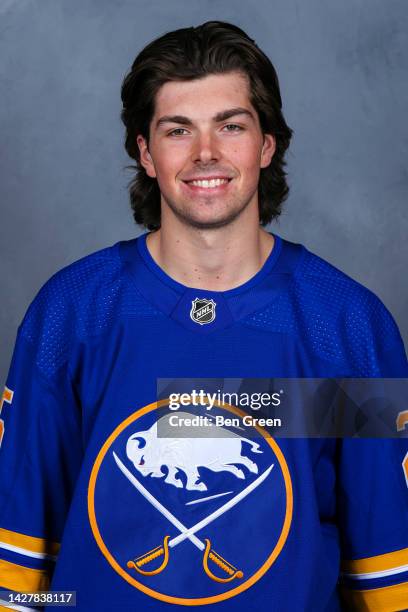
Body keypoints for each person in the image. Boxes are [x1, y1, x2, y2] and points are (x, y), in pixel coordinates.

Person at [0, 21, 407, 612]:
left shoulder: (346, 326)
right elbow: (20, 565)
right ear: (145, 152)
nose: (205, 154)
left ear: (267, 145)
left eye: (231, 126)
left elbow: (385, 573)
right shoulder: (71, 313)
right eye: (177, 130)